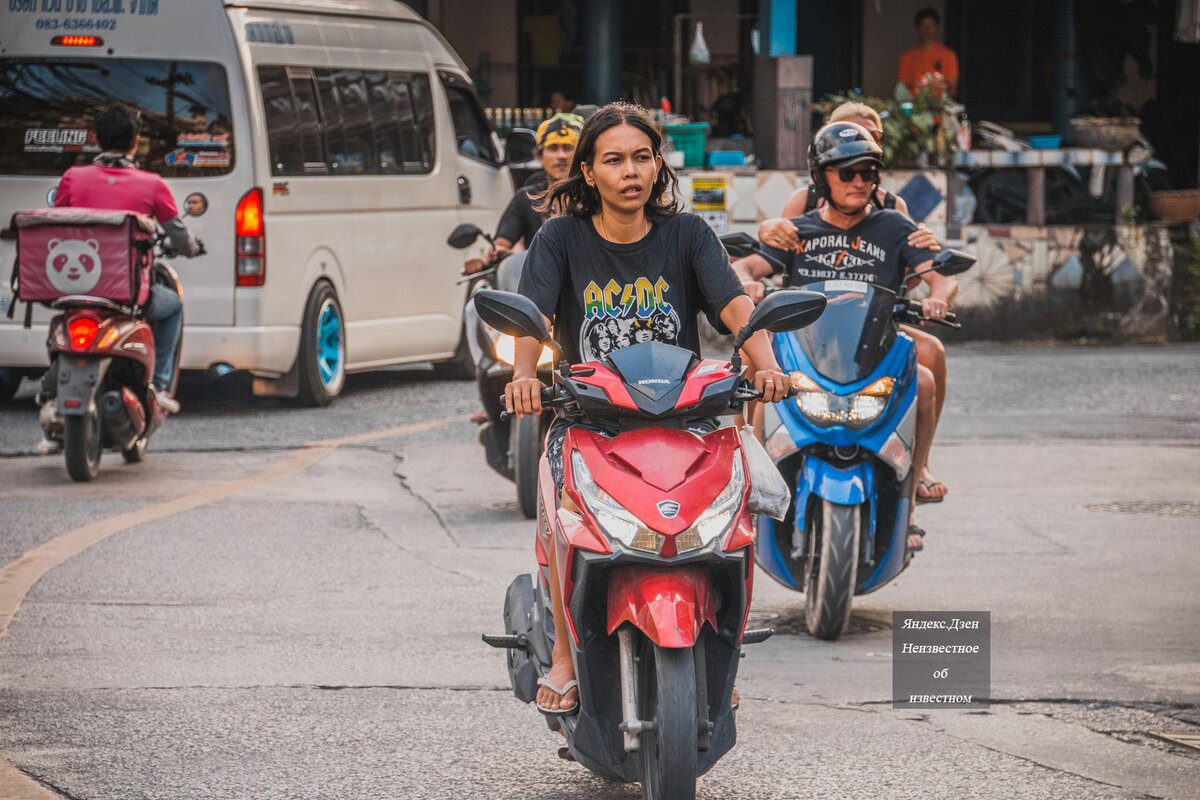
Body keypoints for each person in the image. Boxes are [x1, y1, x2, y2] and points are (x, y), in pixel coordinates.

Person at [505, 102, 790, 715]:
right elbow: (533, 314)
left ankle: (722, 651)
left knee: (734, 518)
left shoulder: (687, 234)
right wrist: (525, 374)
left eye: (642, 157)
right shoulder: (561, 237)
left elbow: (735, 306)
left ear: (658, 165)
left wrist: (765, 365)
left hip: (683, 419)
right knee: (558, 509)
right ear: (587, 172)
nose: (630, 171)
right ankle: (562, 658)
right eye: (614, 160)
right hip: (589, 418)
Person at [754, 122, 957, 552]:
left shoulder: (895, 226)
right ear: (821, 177)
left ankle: (911, 493)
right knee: (757, 365)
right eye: (848, 173)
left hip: (873, 348)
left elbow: (938, 277)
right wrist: (747, 283)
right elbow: (749, 267)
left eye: (868, 173)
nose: (860, 182)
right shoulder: (798, 230)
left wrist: (939, 296)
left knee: (923, 379)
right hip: (807, 349)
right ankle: (750, 476)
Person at [54, 103, 198, 414]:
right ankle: (159, 385)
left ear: (97, 139)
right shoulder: (152, 184)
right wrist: (191, 248)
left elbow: (57, 223)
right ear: (135, 141)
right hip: (130, 292)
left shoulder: (72, 178)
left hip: (78, 288)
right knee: (172, 305)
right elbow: (179, 236)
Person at [897, 7, 959, 97]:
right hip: (915, 107)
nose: (927, 30)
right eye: (923, 26)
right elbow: (903, 88)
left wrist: (942, 104)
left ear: (937, 27)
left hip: (940, 107)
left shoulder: (948, 55)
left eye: (931, 25)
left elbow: (952, 86)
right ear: (917, 28)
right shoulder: (907, 56)